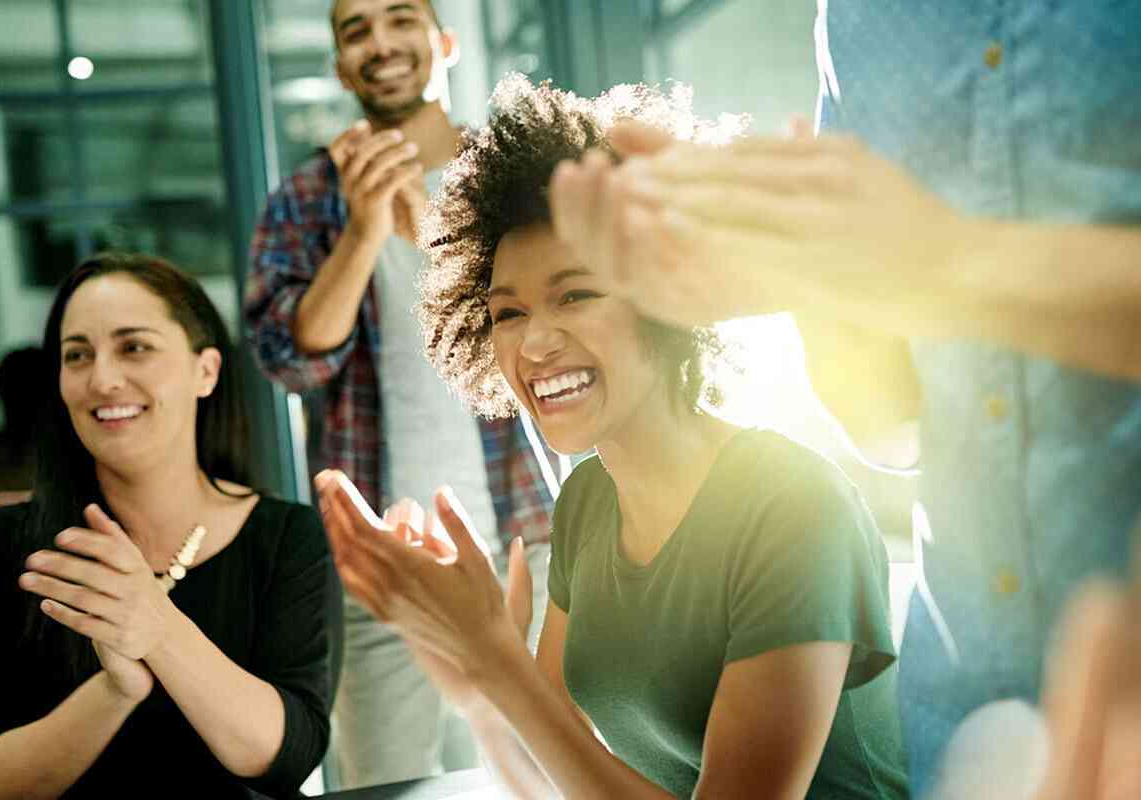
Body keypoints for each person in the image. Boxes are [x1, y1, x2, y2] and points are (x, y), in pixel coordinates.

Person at [544, 3, 1141, 796]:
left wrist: (950, 267)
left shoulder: (783, 507)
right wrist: (795, 272)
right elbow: (891, 426)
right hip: (961, 730)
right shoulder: (857, 19)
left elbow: (928, 270)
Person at [317, 75, 908, 800]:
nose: (534, 343)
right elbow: (555, 781)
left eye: (575, 295)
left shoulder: (794, 508)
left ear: (664, 295)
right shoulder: (587, 503)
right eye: (507, 313)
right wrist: (479, 689)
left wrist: (500, 662)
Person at [244, 0, 556, 788]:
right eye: (356, 31)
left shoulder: (513, 172)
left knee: (550, 772)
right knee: (383, 783)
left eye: (399, 20)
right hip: (383, 560)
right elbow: (289, 361)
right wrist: (362, 230)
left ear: (443, 42)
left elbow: (557, 325)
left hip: (531, 538)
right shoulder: (306, 198)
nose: (380, 43)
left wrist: (426, 222)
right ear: (341, 65)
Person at [0, 253, 342, 799]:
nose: (103, 379)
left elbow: (286, 758)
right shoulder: (1, 547)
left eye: (134, 347)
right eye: (77, 355)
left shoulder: (285, 537)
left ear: (206, 371)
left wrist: (157, 626)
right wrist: (116, 689)